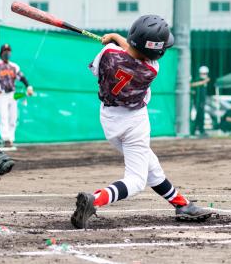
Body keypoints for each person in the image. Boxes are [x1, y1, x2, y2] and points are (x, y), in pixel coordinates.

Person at [71, 15, 212, 229]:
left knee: (150, 166)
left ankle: (181, 204)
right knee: (136, 181)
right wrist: (117, 40)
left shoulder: (107, 53)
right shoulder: (153, 69)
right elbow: (137, 55)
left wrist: (114, 41)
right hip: (134, 123)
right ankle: (96, 200)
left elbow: (107, 63)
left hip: (109, 119)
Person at [0, 44, 33, 148]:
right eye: (5, 51)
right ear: (1, 53)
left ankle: (11, 138)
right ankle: (6, 139)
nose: (7, 53)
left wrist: (28, 86)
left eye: (8, 51)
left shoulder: (14, 66)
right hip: (1, 94)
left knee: (13, 117)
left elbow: (22, 77)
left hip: (12, 94)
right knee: (4, 116)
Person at [190, 66, 210, 136]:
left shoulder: (204, 82)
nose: (204, 75)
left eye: (205, 73)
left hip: (202, 101)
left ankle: (200, 130)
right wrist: (203, 82)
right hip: (197, 101)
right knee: (198, 115)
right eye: (203, 73)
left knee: (201, 115)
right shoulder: (198, 80)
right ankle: (194, 130)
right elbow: (191, 85)